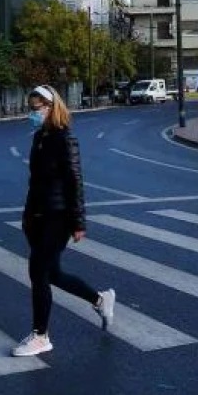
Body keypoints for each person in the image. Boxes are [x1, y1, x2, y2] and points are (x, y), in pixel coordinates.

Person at [13, 85, 115, 357]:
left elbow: (74, 181)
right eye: (30, 108)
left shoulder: (64, 138)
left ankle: (40, 336)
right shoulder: (39, 137)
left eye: (36, 109)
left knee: (38, 273)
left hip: (58, 216)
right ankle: (100, 300)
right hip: (37, 215)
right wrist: (27, 215)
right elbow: (34, 183)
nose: (32, 114)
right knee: (53, 274)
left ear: (50, 107)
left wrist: (78, 222)